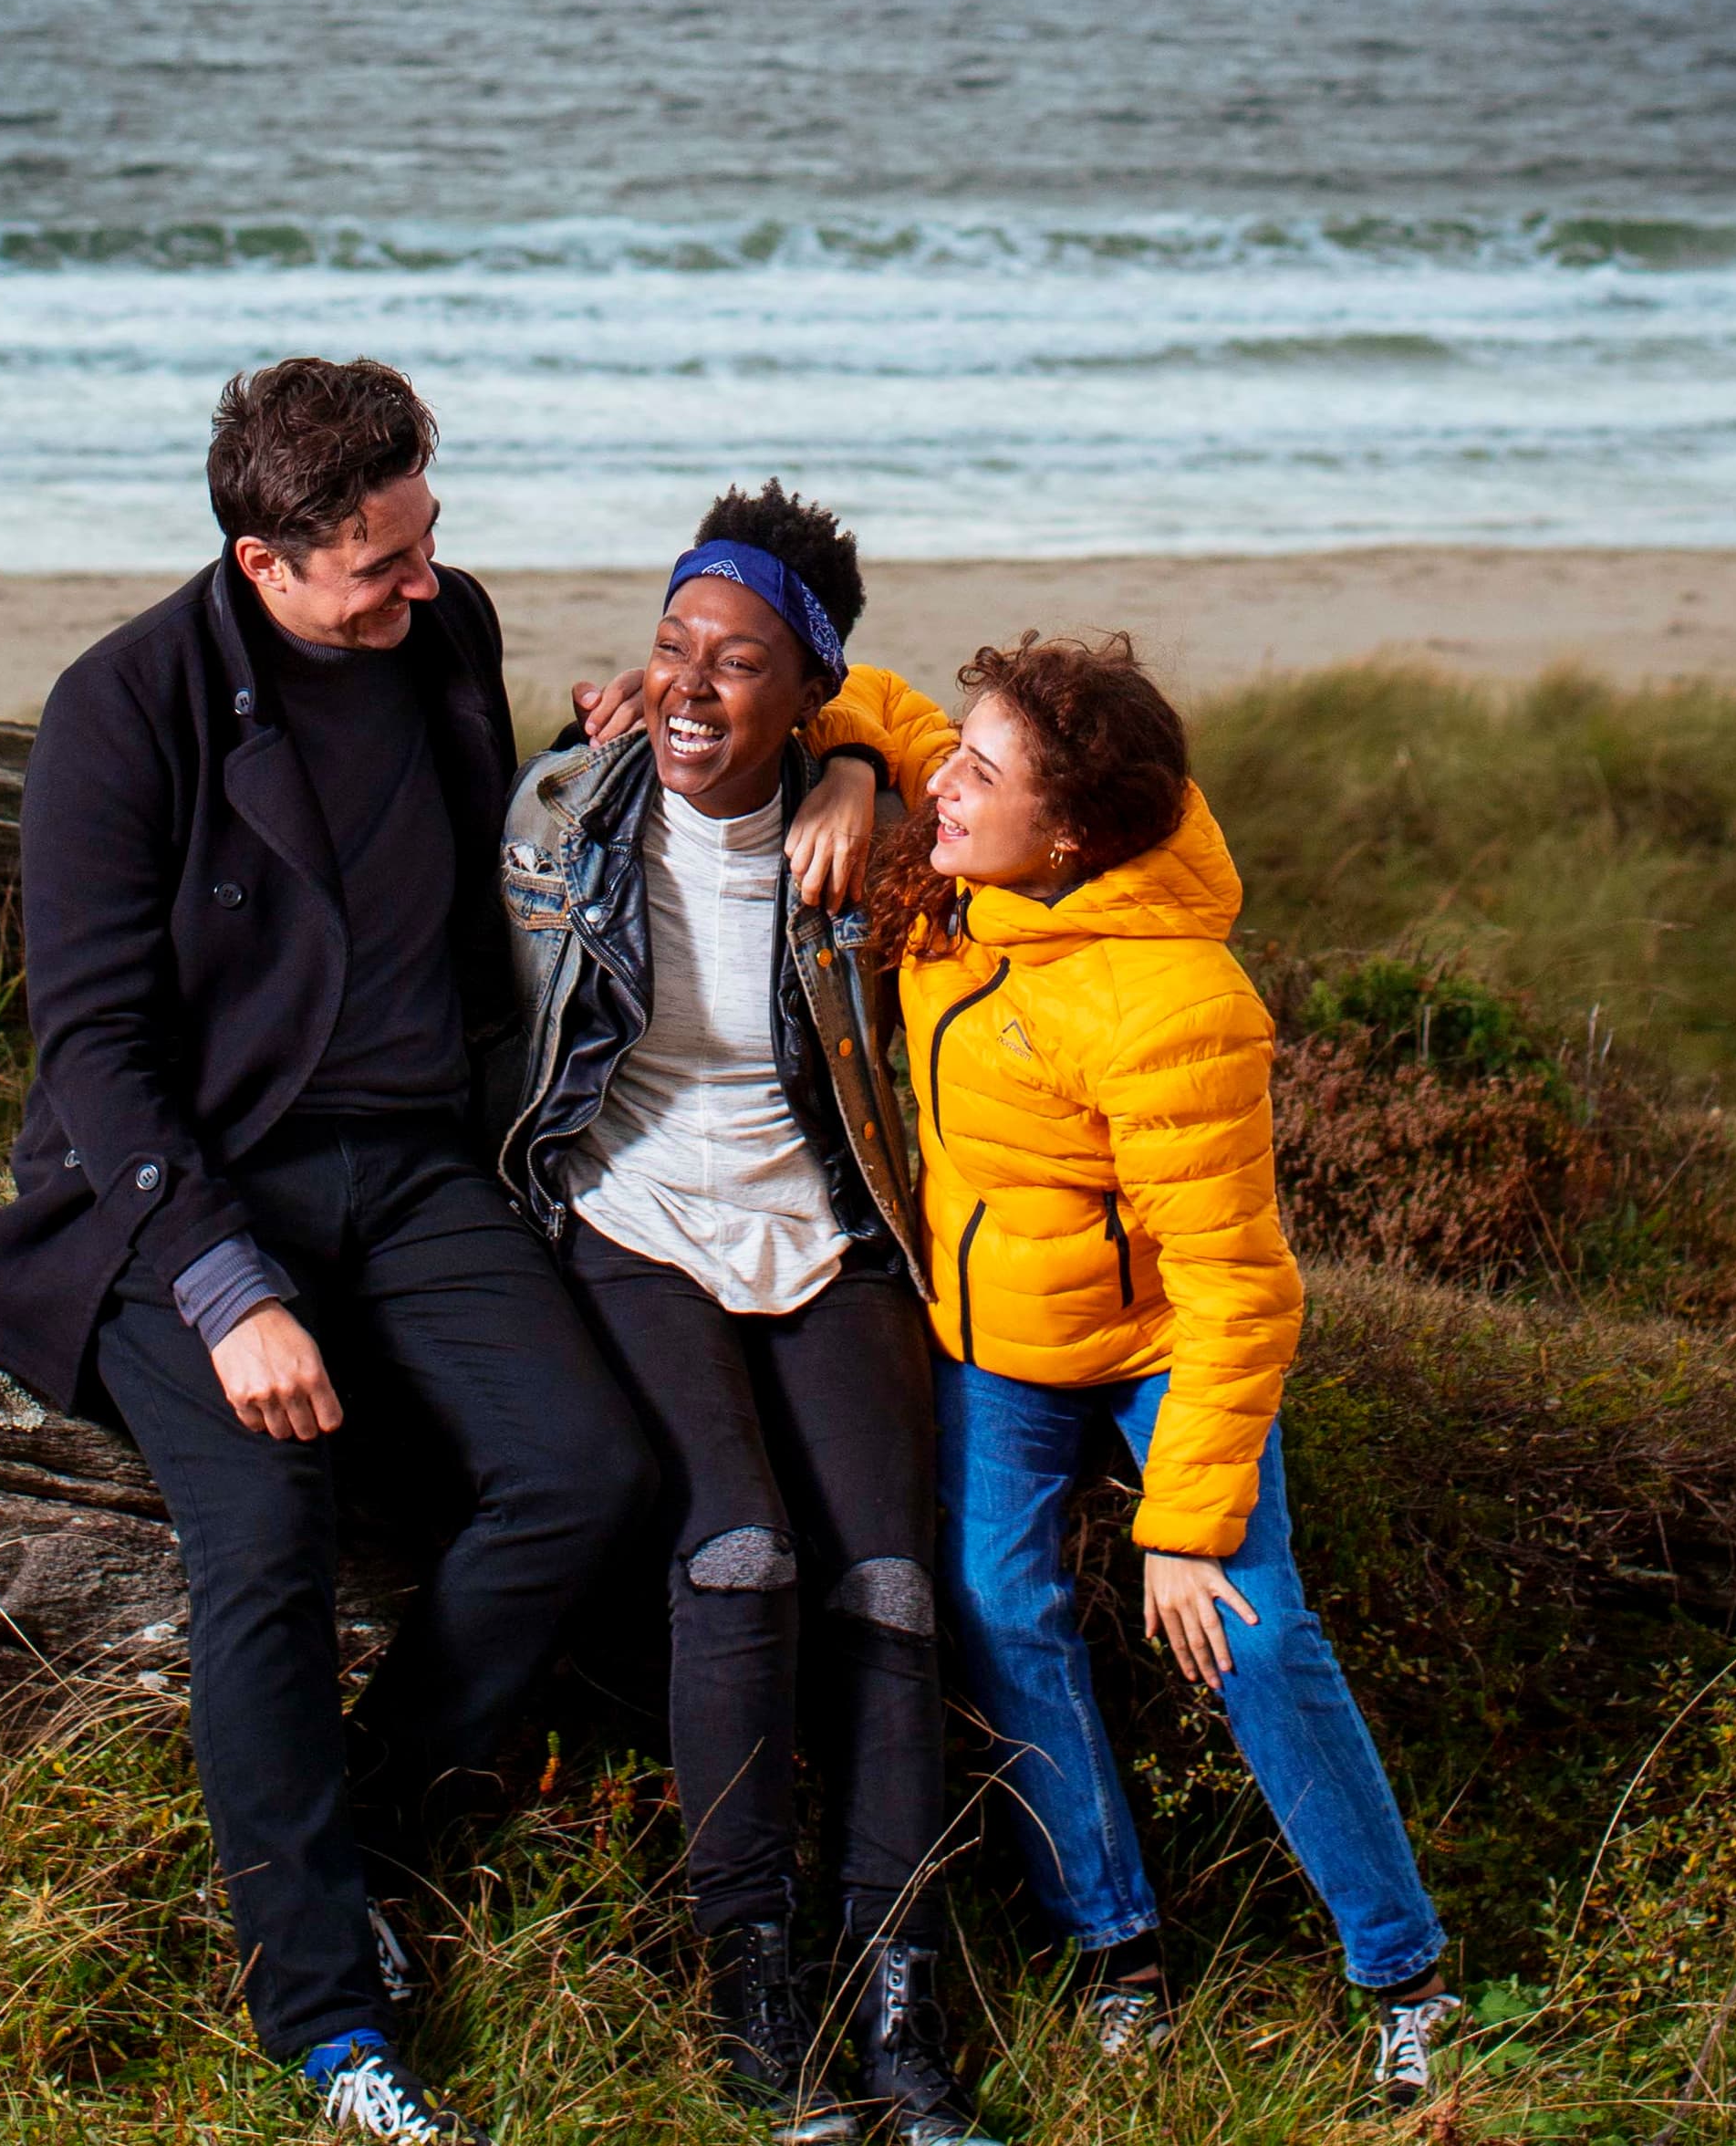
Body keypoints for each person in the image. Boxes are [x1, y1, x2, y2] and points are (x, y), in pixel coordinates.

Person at [0, 357, 658, 2145]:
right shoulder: (124, 711)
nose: (426, 585)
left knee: (591, 1469)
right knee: (269, 1525)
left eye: (429, 541)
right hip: (194, 1190)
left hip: (415, 1175)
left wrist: (593, 763)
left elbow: (471, 873)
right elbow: (92, 1053)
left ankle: (366, 1841)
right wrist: (228, 1290)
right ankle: (327, 2021)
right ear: (266, 562)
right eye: (381, 566)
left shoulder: (448, 628)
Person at [825, 633, 1464, 2101]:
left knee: (1249, 1624)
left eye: (981, 779)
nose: (948, 788)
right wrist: (857, 758)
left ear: (1069, 834)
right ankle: (1115, 1948)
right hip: (1001, 1343)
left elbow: (1239, 1287)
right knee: (996, 1603)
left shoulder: (1173, 1002)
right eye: (960, 763)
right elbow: (873, 694)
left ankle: (1407, 1977)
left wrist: (1180, 1531)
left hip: (1167, 1343)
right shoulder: (971, 854)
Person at [493, 484, 998, 2146]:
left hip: (824, 1218)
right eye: (672, 648)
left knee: (896, 1584)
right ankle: (757, 1981)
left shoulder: (879, 834)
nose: (696, 687)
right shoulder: (563, 813)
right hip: (629, 1214)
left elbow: (975, 783)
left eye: (743, 663)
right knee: (742, 1554)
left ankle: (903, 1984)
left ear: (813, 689)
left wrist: (861, 770)